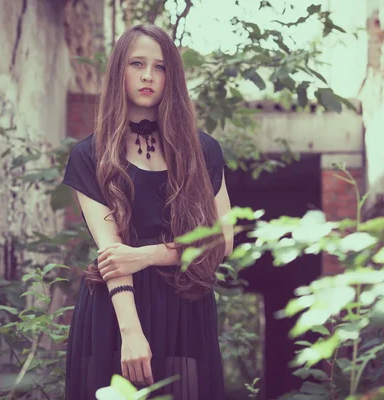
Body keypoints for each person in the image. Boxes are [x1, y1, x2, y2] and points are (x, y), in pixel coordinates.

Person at [62, 23, 234, 400]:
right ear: (118, 71)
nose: (147, 76)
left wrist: (145, 256)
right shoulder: (89, 155)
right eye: (137, 63)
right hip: (114, 312)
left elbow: (223, 241)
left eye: (160, 67)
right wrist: (131, 332)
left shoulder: (203, 151)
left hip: (184, 306)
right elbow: (112, 256)